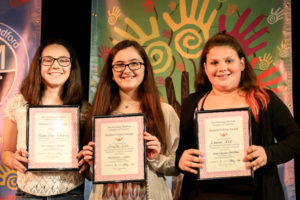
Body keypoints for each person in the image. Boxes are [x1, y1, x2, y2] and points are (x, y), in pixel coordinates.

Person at [176, 31, 300, 200]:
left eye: (229, 61)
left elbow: (295, 139)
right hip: (203, 194)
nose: (222, 68)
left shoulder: (264, 99)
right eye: (214, 62)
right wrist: (181, 161)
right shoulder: (192, 104)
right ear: (205, 68)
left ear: (242, 63)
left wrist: (268, 154)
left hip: (257, 194)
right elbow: (182, 151)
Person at [77, 39, 179, 200]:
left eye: (134, 63)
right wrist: (91, 164)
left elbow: (177, 166)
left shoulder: (165, 112)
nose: (127, 70)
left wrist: (155, 157)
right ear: (111, 72)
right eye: (119, 64)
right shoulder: (99, 113)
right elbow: (92, 175)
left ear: (145, 69)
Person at [1, 38, 90, 199]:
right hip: (27, 193)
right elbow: (6, 151)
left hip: (70, 193)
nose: (55, 66)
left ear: (72, 66)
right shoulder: (18, 105)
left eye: (63, 60)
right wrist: (13, 160)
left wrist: (86, 159)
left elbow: (89, 156)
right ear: (38, 64)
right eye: (48, 60)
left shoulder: (83, 109)